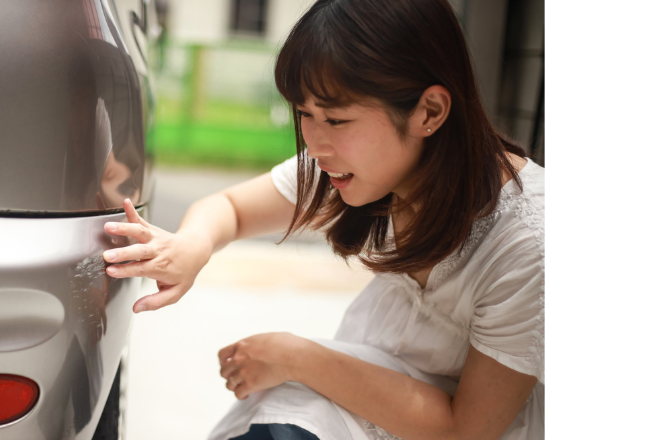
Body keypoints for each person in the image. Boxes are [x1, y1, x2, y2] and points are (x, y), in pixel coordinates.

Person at [101, 0, 545, 438]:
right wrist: (191, 246)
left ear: (428, 112)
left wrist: (295, 357)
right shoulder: (360, 166)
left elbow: (466, 430)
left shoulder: (527, 240)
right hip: (361, 396)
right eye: (304, 114)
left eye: (335, 119)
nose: (314, 145)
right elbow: (231, 210)